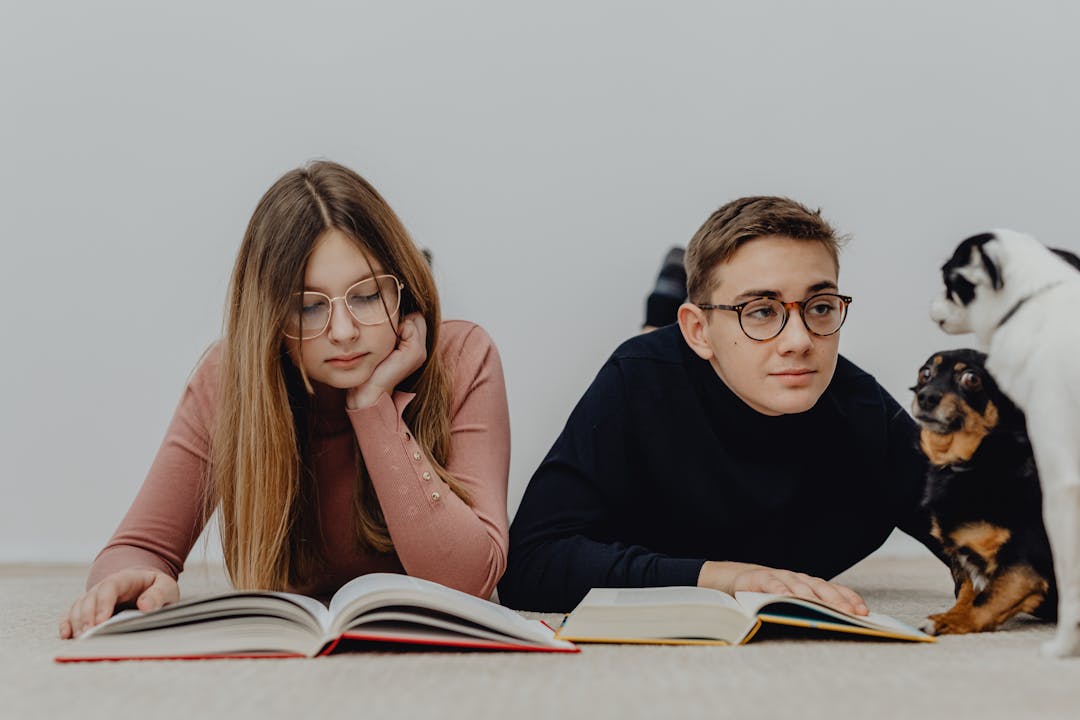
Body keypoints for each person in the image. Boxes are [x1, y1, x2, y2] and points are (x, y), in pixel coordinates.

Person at [61, 161, 510, 639]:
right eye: (309, 306)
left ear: (402, 288)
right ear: (271, 317)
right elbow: (138, 548)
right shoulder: (231, 381)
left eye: (366, 295)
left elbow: (467, 583)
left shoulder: (461, 358)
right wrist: (130, 581)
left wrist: (372, 405)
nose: (343, 332)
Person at [499, 196, 944, 613]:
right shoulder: (638, 380)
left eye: (821, 306)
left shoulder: (863, 411)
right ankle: (663, 310)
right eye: (761, 311)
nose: (800, 341)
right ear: (697, 330)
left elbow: (993, 537)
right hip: (672, 373)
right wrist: (722, 577)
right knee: (654, 345)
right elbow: (531, 564)